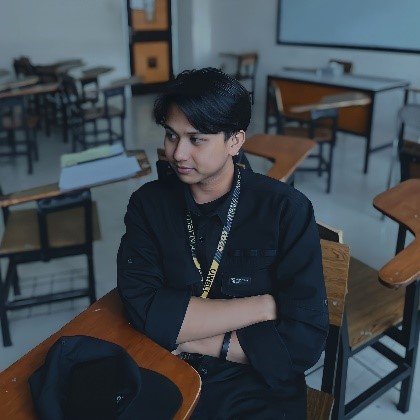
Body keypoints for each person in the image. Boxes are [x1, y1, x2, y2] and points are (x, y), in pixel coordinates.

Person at [117, 68, 329, 419]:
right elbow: (143, 309)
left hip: (254, 381)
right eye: (171, 136)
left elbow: (304, 341)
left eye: (196, 139)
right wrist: (263, 306)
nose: (178, 153)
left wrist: (196, 339)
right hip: (166, 368)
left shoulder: (283, 209)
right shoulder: (148, 204)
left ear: (235, 141)